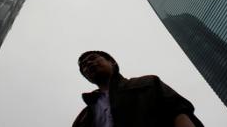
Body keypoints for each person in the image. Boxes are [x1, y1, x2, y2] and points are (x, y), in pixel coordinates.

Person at [73, 50, 204, 127]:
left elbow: (178, 111)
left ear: (112, 62)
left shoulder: (148, 83)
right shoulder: (83, 117)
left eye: (92, 58)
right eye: (83, 66)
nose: (88, 63)